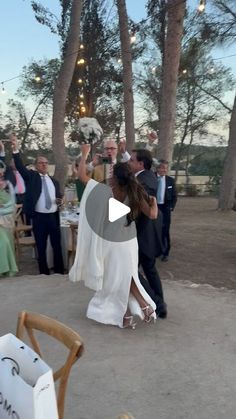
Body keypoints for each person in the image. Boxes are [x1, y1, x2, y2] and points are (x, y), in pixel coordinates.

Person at [69, 144, 157, 329]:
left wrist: (84, 154)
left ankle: (131, 312)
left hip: (111, 242)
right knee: (127, 275)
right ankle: (138, 309)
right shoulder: (136, 192)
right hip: (129, 241)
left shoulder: (106, 191)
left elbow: (82, 176)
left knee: (116, 278)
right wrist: (155, 203)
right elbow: (152, 214)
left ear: (115, 178)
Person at [10, 134, 64, 275]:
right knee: (41, 246)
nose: (44, 165)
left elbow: (58, 197)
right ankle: (44, 272)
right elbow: (21, 167)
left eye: (46, 163)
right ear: (35, 165)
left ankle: (59, 271)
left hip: (53, 217)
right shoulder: (32, 177)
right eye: (41, 163)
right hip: (39, 218)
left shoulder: (54, 181)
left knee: (56, 245)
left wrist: (60, 200)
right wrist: (15, 149)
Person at [128, 149, 167, 318]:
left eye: (131, 160)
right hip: (146, 231)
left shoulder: (145, 181)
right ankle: (160, 303)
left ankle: (157, 303)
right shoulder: (147, 175)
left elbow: (145, 203)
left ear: (140, 164)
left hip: (144, 232)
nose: (129, 163)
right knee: (149, 268)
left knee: (131, 269)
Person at [156, 159, 177, 261]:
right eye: (162, 167)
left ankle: (165, 252)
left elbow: (174, 196)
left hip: (165, 209)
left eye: (165, 168)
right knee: (153, 230)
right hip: (154, 207)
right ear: (157, 168)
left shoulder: (170, 181)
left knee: (165, 231)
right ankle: (155, 251)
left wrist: (171, 207)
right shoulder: (152, 178)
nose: (164, 170)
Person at [0, 160, 18, 277]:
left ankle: (6, 270)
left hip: (6, 220)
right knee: (3, 243)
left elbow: (13, 205)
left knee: (8, 242)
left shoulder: (8, 185)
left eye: (1, 174)